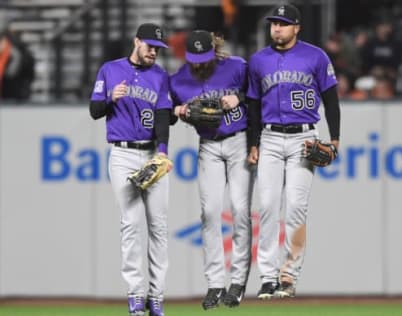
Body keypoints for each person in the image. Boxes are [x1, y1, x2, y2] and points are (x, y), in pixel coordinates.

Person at [246, 4, 340, 299]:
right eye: (274, 23)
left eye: (283, 24)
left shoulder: (316, 56)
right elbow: (252, 106)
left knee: (296, 208)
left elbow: (332, 100)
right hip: (270, 138)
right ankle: (267, 277)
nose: (277, 28)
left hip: (304, 139)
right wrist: (253, 143)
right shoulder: (258, 60)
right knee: (268, 207)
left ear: (296, 27)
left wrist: (334, 139)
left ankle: (289, 275)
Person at [89, 23, 173, 316]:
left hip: (151, 152)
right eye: (149, 45)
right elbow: (94, 110)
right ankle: (136, 294)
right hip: (123, 154)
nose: (153, 52)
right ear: (136, 41)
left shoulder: (161, 76)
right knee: (131, 224)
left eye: (158, 48)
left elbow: (163, 115)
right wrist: (110, 98)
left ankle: (157, 295)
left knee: (159, 227)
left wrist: (162, 153)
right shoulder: (110, 70)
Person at [170, 30, 253, 309]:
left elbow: (259, 95)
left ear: (214, 50)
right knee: (209, 212)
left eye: (203, 57)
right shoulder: (179, 79)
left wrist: (239, 97)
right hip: (208, 145)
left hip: (239, 140)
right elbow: (166, 112)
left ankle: (238, 281)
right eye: (194, 58)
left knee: (241, 210)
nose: (199, 63)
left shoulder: (236, 67)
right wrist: (178, 111)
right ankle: (216, 283)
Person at [0, 27, 35, 101]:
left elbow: (11, 73)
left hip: (14, 93)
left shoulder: (14, 52)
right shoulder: (20, 50)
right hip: (15, 92)